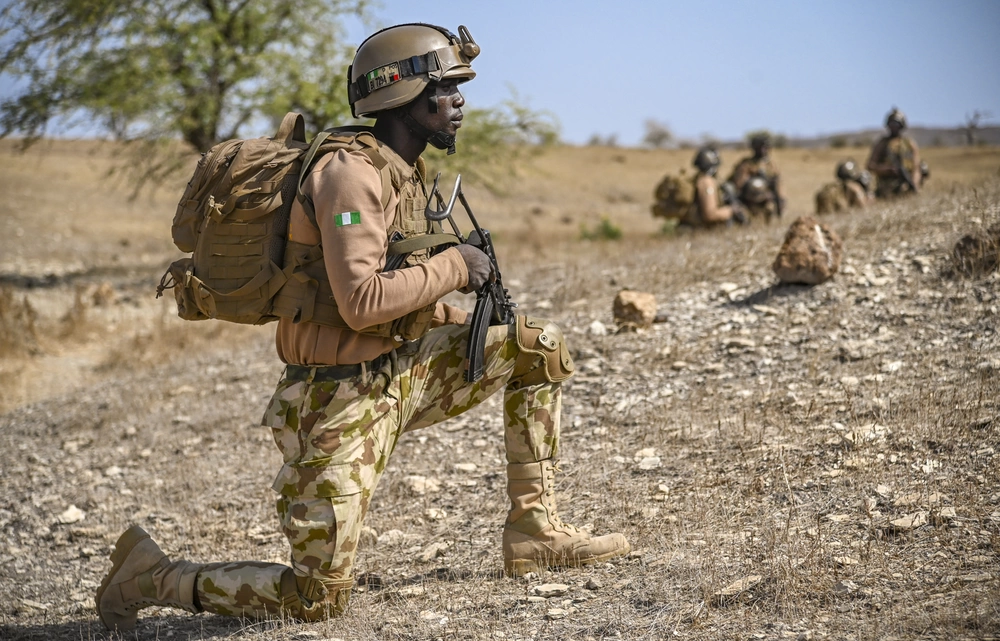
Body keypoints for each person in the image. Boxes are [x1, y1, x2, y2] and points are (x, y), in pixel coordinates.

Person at [95, 23, 629, 632]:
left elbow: (398, 294)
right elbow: (361, 301)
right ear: (404, 95)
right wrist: (458, 265)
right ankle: (151, 576)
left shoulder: (406, 168)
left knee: (538, 349)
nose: (459, 103)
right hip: (336, 397)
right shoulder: (348, 174)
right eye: (446, 88)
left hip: (402, 370)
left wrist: (458, 316)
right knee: (315, 600)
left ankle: (535, 533)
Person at [679, 146, 748, 227]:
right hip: (699, 230)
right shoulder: (707, 182)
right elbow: (710, 215)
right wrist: (730, 211)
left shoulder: (698, 179)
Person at [728, 132, 785, 222]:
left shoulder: (770, 164)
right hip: (749, 200)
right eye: (761, 147)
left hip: (767, 200)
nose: (763, 150)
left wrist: (780, 200)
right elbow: (738, 185)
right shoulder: (746, 164)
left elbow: (777, 183)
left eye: (766, 147)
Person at [866, 108, 922, 198]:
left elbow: (916, 168)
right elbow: (870, 165)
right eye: (892, 124)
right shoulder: (882, 144)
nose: (894, 127)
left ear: (902, 125)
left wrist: (914, 183)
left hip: (907, 181)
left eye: (897, 124)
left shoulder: (909, 144)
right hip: (887, 184)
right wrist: (887, 170)